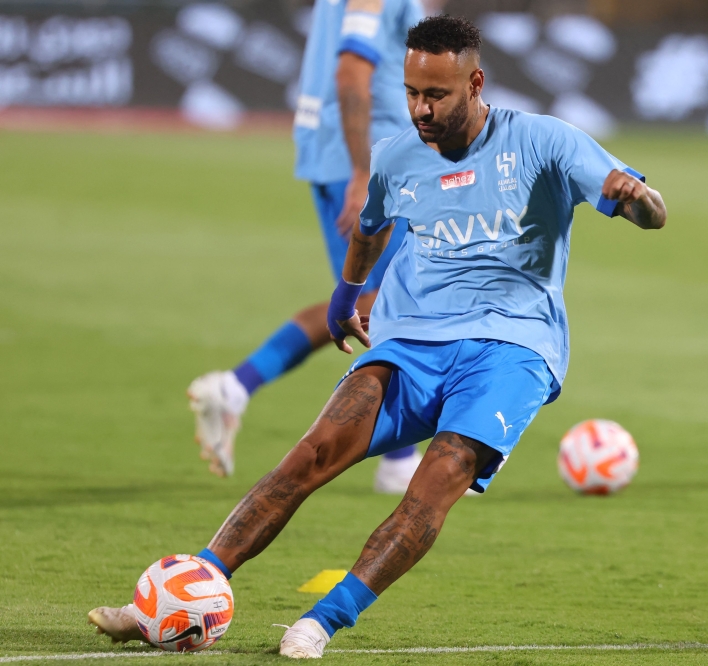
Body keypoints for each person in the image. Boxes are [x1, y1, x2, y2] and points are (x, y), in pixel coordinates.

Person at [87, 15, 666, 658]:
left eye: (436, 95)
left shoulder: (546, 142)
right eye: (412, 91)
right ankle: (181, 593)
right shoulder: (396, 154)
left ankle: (323, 621)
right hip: (410, 341)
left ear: (475, 83)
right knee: (310, 454)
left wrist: (636, 198)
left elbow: (652, 211)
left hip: (513, 347)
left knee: (438, 476)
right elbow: (369, 227)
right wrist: (344, 298)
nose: (419, 107)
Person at [185, 0, 425, 492]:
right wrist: (364, 172)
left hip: (339, 152)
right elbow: (351, 71)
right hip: (366, 157)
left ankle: (236, 387)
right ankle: (399, 461)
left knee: (370, 303)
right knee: (394, 303)